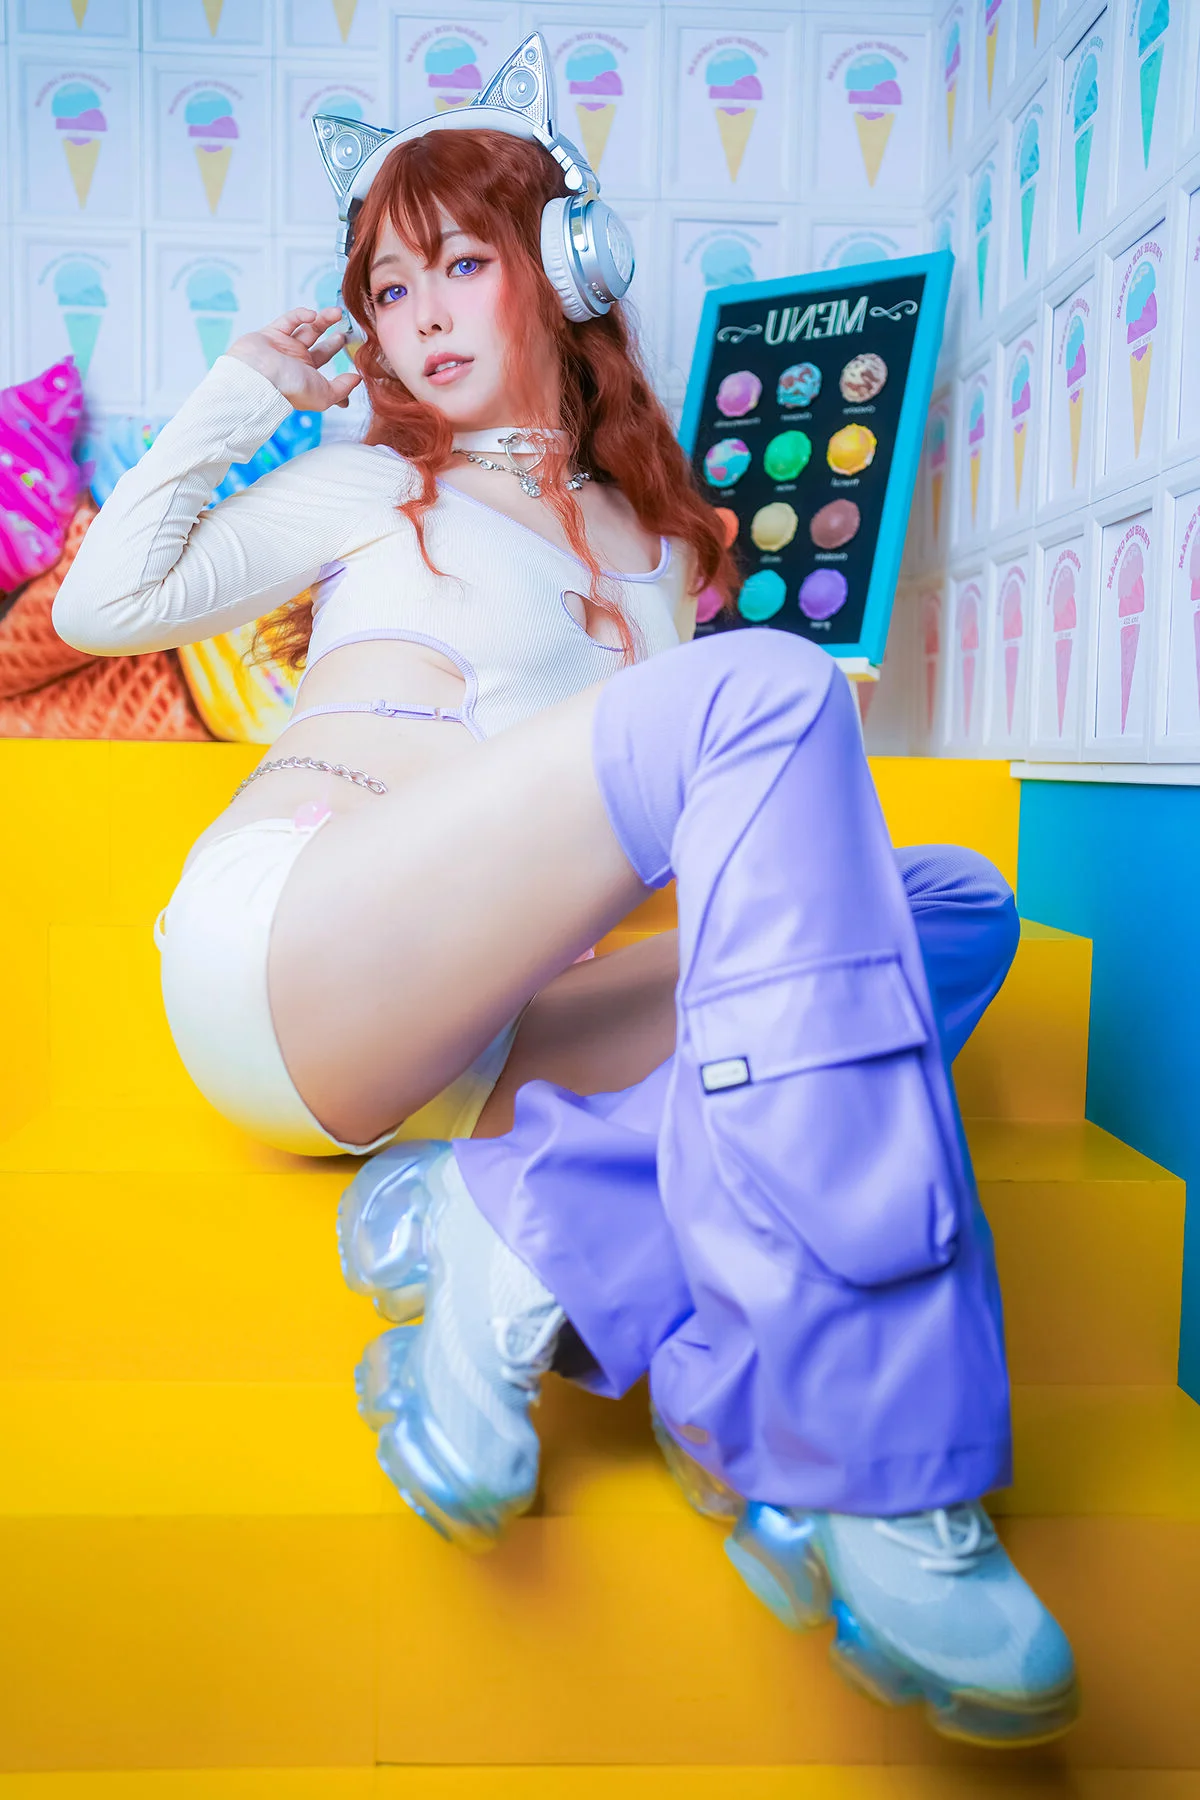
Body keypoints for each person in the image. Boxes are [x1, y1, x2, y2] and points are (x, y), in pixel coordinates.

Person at [53, 33, 1077, 1750]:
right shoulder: (368, 484)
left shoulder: (665, 552)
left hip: (490, 1035)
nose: (424, 316)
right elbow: (101, 607)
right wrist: (243, 391)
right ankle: (873, 1456)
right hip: (293, 954)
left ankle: (528, 1214)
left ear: (567, 266)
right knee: (764, 696)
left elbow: (676, 843)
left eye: (463, 262)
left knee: (954, 906)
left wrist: (779, 768)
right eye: (390, 288)